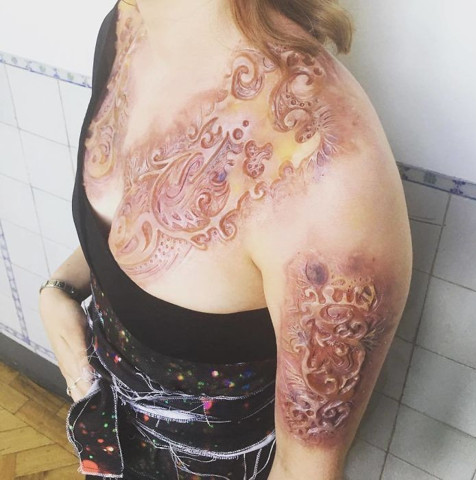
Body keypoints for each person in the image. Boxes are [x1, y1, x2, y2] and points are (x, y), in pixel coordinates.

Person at [38, 0, 412, 478]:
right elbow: (137, 230)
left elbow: (304, 470)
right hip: (111, 440)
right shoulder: (127, 26)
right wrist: (61, 287)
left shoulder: (327, 172)